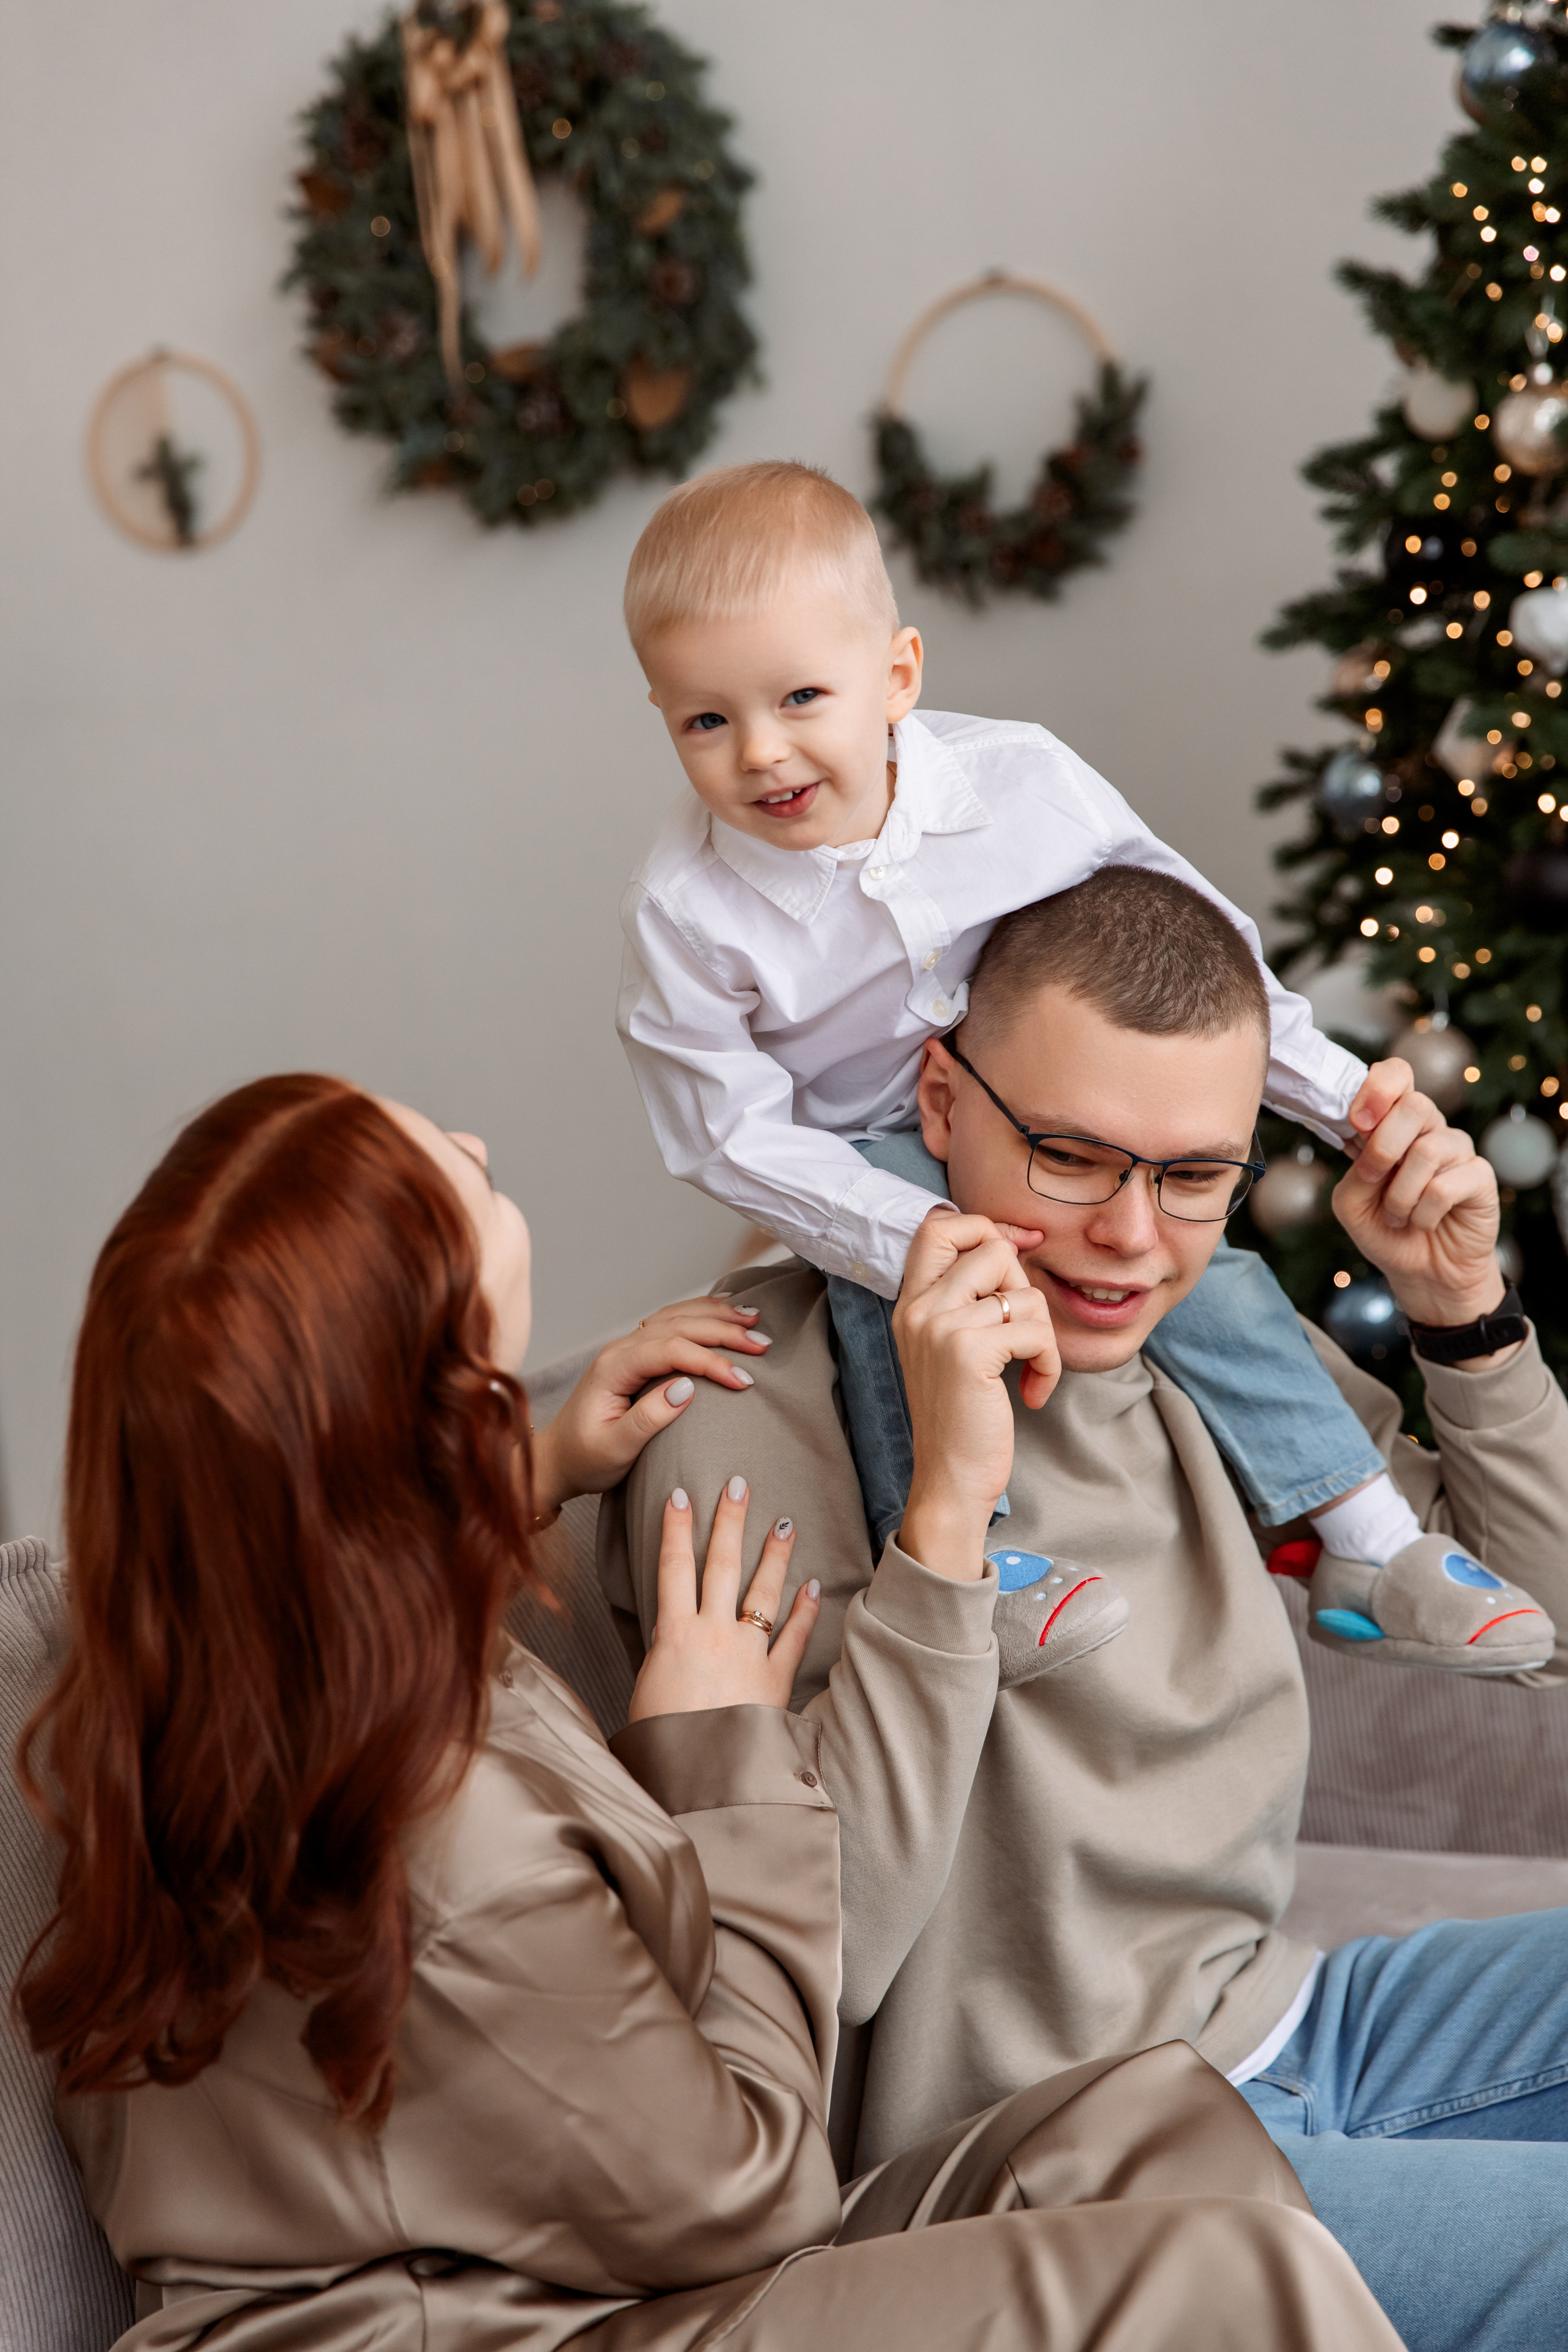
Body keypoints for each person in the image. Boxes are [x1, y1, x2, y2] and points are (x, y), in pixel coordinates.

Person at [13, 1072, 1396, 2352]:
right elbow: (758, 2192)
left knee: (1151, 2124)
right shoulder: (444, 1839)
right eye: (442, 1171)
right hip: (509, 2325)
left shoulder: (192, 1652)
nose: (479, 1148)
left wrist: (521, 1462)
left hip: (551, 2271)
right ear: (430, 1379)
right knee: (1237, 2280)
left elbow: (278, 1504)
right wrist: (720, 1747)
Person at [603, 864, 1568, 2351]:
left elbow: (1537, 1628)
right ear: (934, 1104)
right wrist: (941, 1517)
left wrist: (1467, 1322)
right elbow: (812, 1950)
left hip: (1290, 2028)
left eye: (1196, 1177)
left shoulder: (1220, 1353)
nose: (1134, 1239)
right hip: (1053, 2175)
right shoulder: (746, 1410)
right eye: (1070, 1158)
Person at [615, 457, 1531, 1676]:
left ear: (896, 676)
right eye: (707, 720)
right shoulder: (686, 911)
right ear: (664, 719)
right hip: (857, 1160)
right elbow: (722, 1129)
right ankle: (956, 1559)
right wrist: (900, 1229)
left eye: (799, 698)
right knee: (906, 1310)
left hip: (1046, 1103)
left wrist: (1345, 1108)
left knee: (1206, 1274)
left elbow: (1201, 959)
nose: (764, 754)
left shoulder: (1021, 785)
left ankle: (1359, 1530)